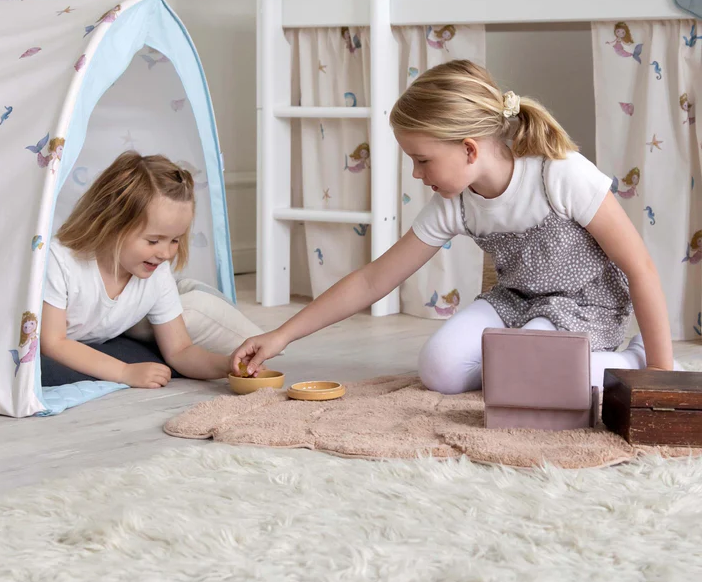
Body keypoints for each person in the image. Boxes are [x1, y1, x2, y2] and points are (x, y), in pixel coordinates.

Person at [232, 59, 679, 392]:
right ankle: (525, 365)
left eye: (422, 160)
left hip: (584, 308)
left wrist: (660, 371)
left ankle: (630, 358)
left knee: (526, 367)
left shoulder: (559, 174)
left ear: (469, 149)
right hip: (515, 304)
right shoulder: (456, 203)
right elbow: (372, 280)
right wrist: (281, 335)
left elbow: (639, 267)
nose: (416, 174)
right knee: (440, 370)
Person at [40, 151, 230, 388]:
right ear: (111, 223)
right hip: (31, 344)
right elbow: (52, 343)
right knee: (41, 370)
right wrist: (123, 372)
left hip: (89, 343)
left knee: (155, 360)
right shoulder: (60, 261)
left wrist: (228, 366)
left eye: (175, 240)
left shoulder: (157, 272)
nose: (166, 253)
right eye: (153, 241)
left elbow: (180, 350)